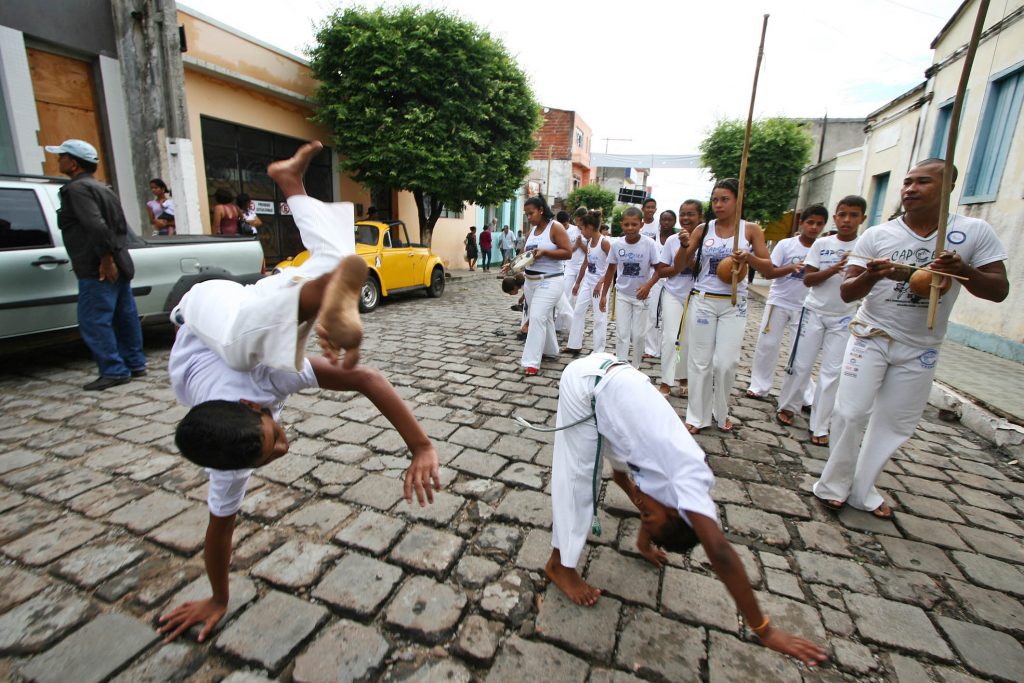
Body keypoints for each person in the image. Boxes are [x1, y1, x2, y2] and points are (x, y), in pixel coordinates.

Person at [158, 141, 441, 643]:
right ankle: (291, 186)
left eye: (274, 438)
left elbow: (367, 379)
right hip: (260, 305)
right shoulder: (228, 457)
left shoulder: (262, 380)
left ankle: (322, 296)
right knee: (338, 257)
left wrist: (421, 446)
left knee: (244, 349)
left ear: (252, 408)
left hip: (205, 312)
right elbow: (218, 530)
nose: (284, 446)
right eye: (274, 453)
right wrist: (217, 597)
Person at [544, 353, 828, 667]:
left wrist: (643, 542)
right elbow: (719, 551)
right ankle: (559, 565)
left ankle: (631, 530)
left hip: (613, 384)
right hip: (586, 385)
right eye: (649, 518)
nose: (641, 509)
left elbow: (644, 495)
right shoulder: (689, 478)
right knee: (580, 477)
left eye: (644, 519)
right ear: (676, 511)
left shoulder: (669, 495)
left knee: (633, 471)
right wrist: (765, 630)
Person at [813, 160, 1007, 518]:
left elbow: (998, 290)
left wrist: (964, 270)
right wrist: (872, 277)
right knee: (850, 412)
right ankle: (833, 483)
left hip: (922, 346)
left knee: (895, 423)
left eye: (922, 182)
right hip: (871, 334)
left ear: (948, 188)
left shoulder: (974, 232)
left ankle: (863, 488)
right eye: (906, 182)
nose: (910, 189)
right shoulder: (878, 235)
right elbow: (846, 292)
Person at [45, 139, 147, 390]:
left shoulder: (77, 190)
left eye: (63, 157)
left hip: (99, 265)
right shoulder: (102, 188)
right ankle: (134, 363)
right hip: (117, 259)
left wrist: (106, 259)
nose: (59, 161)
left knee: (95, 319)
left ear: (74, 163)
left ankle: (114, 369)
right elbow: (117, 227)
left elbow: (95, 225)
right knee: (125, 316)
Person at [674, 178, 773, 434]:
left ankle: (721, 412)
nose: (718, 205)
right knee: (700, 362)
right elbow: (683, 264)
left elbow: (769, 269)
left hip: (733, 303)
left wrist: (749, 257)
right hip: (704, 300)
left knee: (726, 363)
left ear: (738, 201)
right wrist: (685, 246)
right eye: (715, 199)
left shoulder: (750, 230)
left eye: (725, 199)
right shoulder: (702, 230)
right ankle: (697, 416)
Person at [776, 197, 866, 443]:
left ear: (863, 219)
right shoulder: (822, 244)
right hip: (814, 311)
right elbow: (808, 279)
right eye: (843, 214)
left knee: (832, 372)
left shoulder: (866, 246)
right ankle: (788, 405)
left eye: (854, 215)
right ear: (836, 218)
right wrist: (835, 268)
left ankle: (820, 424)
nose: (847, 220)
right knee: (801, 364)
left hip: (844, 316)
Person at [746, 206, 827, 401]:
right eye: (810, 222)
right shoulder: (786, 245)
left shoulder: (823, 247)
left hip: (806, 306)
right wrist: (791, 268)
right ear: (802, 223)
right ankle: (759, 385)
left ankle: (805, 394)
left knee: (800, 352)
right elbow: (769, 272)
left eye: (819, 224)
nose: (814, 227)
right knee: (767, 345)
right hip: (779, 302)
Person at [599, 207, 660, 368]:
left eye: (634, 224)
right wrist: (605, 295)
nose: (630, 228)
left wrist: (648, 286)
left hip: (641, 296)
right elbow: (611, 269)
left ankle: (636, 367)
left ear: (641, 225)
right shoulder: (617, 244)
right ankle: (621, 366)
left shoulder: (649, 244)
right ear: (621, 225)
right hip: (622, 295)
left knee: (638, 335)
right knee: (622, 334)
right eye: (626, 224)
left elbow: (659, 269)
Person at [520, 195, 572, 376]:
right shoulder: (531, 232)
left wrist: (545, 252)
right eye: (526, 214)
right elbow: (523, 256)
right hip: (530, 281)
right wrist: (511, 265)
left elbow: (568, 252)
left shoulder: (555, 227)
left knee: (536, 317)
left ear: (541, 210)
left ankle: (531, 362)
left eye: (531, 213)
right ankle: (551, 350)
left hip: (550, 280)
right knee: (544, 317)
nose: (529, 217)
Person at [654, 201, 701, 396]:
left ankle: (684, 377)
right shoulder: (673, 240)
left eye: (691, 214)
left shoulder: (706, 241)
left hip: (696, 296)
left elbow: (702, 271)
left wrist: (687, 256)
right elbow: (662, 270)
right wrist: (678, 264)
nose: (686, 218)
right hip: (673, 294)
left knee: (688, 340)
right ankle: (666, 381)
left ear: (700, 217)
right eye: (683, 214)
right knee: (670, 338)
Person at [564, 211, 611, 355]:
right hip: (587, 282)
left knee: (599, 318)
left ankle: (598, 352)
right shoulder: (590, 242)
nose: (581, 231)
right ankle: (574, 345)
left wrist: (601, 283)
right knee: (578, 312)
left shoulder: (604, 243)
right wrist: (578, 282)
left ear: (590, 227)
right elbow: (586, 262)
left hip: (600, 285)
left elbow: (613, 266)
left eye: (583, 228)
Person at [643, 209, 676, 359]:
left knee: (668, 317)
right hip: (654, 280)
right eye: (664, 219)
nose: (666, 223)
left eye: (670, 220)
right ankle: (650, 349)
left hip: (672, 281)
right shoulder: (652, 240)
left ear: (674, 222)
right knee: (652, 315)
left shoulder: (676, 240)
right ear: (660, 221)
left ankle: (666, 349)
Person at [563, 207, 589, 309]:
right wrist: (576, 246)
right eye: (576, 221)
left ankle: (575, 316)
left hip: (583, 266)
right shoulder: (570, 231)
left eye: (580, 221)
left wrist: (581, 245)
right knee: (566, 291)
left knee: (578, 294)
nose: (578, 224)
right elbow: (567, 250)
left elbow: (591, 252)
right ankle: (566, 315)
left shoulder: (588, 233)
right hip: (570, 265)